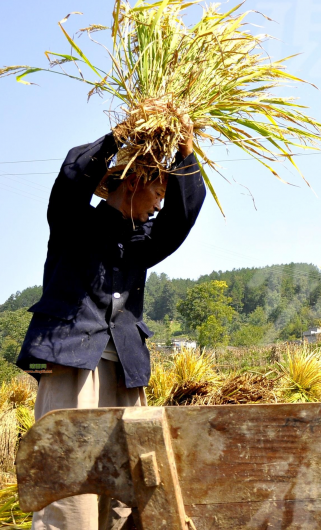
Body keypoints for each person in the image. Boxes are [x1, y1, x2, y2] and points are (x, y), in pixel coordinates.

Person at [17, 126, 206, 530]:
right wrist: (115, 140)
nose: (159, 207)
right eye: (157, 195)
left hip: (125, 369)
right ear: (134, 183)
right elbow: (72, 178)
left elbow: (181, 220)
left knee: (129, 480)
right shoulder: (73, 224)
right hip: (72, 362)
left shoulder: (142, 242)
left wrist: (185, 157)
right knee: (70, 475)